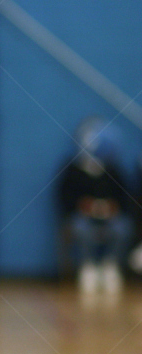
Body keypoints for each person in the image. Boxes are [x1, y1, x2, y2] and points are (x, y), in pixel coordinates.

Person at [57, 117, 134, 295]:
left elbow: (124, 198)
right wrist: (82, 205)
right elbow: (63, 198)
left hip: (110, 217)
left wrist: (113, 207)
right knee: (81, 228)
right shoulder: (72, 170)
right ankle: (88, 266)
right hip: (83, 217)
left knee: (123, 228)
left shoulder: (113, 170)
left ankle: (110, 266)